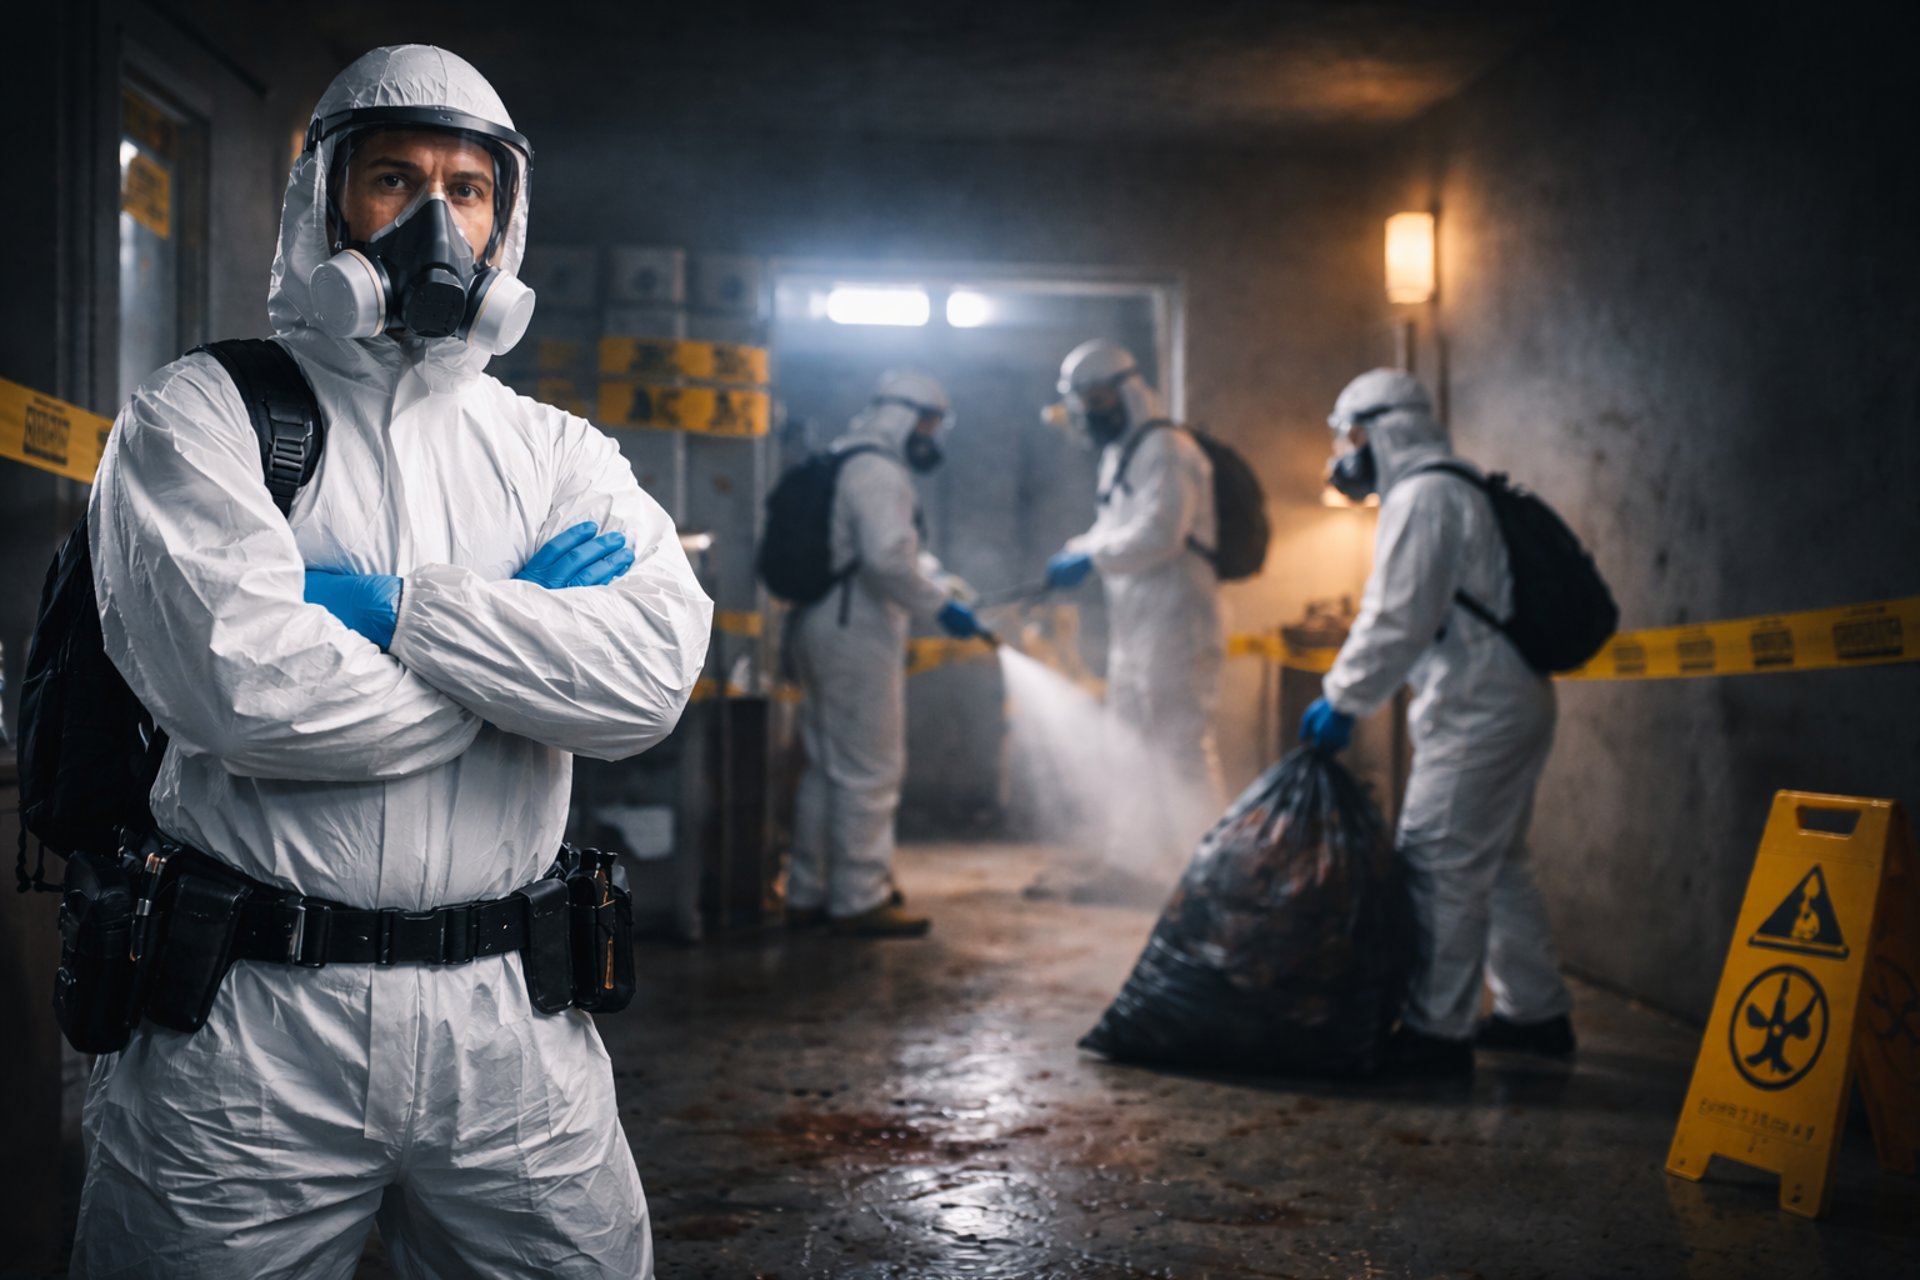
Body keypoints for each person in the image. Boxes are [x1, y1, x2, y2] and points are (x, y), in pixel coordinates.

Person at [75, 45, 713, 1278]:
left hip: (514, 1029)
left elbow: (643, 681)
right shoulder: (199, 414)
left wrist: (389, 609)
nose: (435, 221)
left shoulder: (556, 452)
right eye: (394, 180)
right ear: (325, 200)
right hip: (251, 1033)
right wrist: (522, 652)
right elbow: (252, 696)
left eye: (470, 190)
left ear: (505, 220)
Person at [1300, 368, 1574, 1077]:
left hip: (1480, 708)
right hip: (1508, 700)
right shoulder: (1456, 485)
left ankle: (1436, 1035)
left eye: (1353, 436)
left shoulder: (1423, 498)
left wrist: (1343, 698)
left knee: (1438, 860)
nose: (1346, 453)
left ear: (1386, 429)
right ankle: (1536, 1014)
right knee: (1499, 862)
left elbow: (1397, 618)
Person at [786, 370, 987, 938]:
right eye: (930, 423)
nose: (933, 436)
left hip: (824, 623)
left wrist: (942, 584)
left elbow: (896, 553)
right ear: (909, 415)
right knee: (871, 768)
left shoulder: (847, 456)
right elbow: (888, 560)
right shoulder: (880, 470)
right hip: (856, 629)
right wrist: (940, 607)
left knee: (828, 768)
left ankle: (808, 889)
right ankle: (859, 897)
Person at [1039, 340, 1225, 895]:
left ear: (1127, 390)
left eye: (1097, 397)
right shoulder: (1122, 453)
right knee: (1128, 747)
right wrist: (1078, 550)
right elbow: (1114, 528)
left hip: (1178, 622)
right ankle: (1133, 867)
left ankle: (1207, 877)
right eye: (1082, 402)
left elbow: (1162, 533)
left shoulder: (1167, 448)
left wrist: (1090, 559)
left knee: (1179, 747)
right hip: (1136, 625)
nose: (1090, 412)